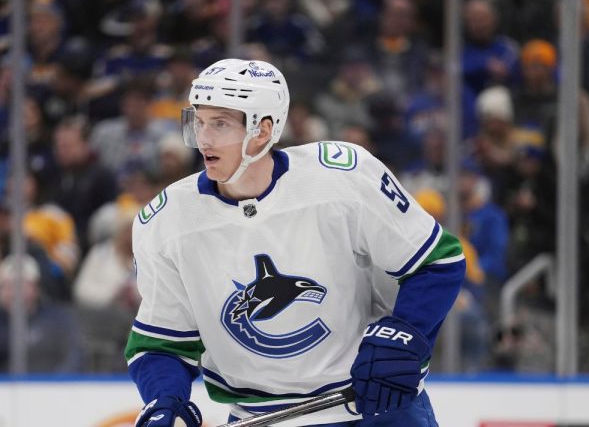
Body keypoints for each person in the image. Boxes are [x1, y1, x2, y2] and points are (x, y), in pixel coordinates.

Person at [124, 59, 465, 427]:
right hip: (262, 418)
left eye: (220, 124)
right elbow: (161, 343)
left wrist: (405, 332)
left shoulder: (344, 177)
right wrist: (164, 399)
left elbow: (437, 261)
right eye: (199, 121)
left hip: (377, 407)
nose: (203, 138)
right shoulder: (165, 221)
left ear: (263, 129)